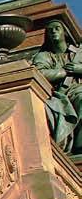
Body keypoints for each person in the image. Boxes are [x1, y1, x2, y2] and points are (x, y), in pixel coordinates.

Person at [32, 20, 82, 155]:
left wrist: (78, 68)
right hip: (60, 93)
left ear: (65, 33)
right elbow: (39, 73)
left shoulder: (79, 52)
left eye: (57, 28)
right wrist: (63, 72)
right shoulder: (43, 56)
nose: (53, 31)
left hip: (78, 88)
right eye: (50, 30)